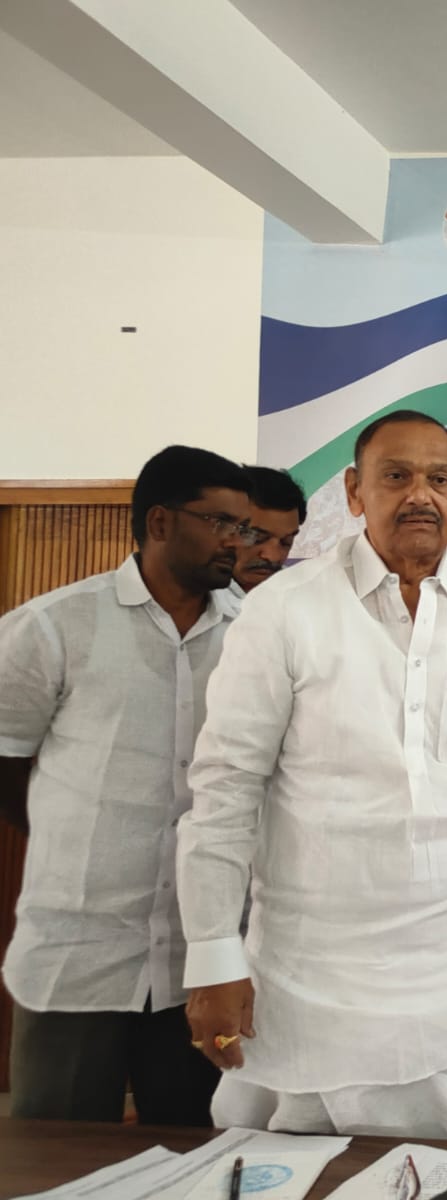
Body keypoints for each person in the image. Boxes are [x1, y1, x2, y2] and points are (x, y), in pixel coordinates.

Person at [177, 410, 447, 1142]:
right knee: (306, 1170)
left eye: (439, 479)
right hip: (314, 976)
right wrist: (212, 952)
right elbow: (225, 787)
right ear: (355, 492)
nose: (420, 495)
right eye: (396, 476)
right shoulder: (283, 611)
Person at [1, 446, 251, 1124]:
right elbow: (4, 759)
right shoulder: (55, 626)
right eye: (220, 523)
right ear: (160, 522)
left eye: (244, 527)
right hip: (78, 957)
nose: (236, 541)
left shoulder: (254, 635)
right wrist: (69, 833)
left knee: (195, 1151)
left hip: (203, 961)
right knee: (55, 1156)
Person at [233, 466, 306, 594]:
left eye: (286, 542)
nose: (273, 556)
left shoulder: (303, 592)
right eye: (256, 538)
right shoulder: (198, 597)